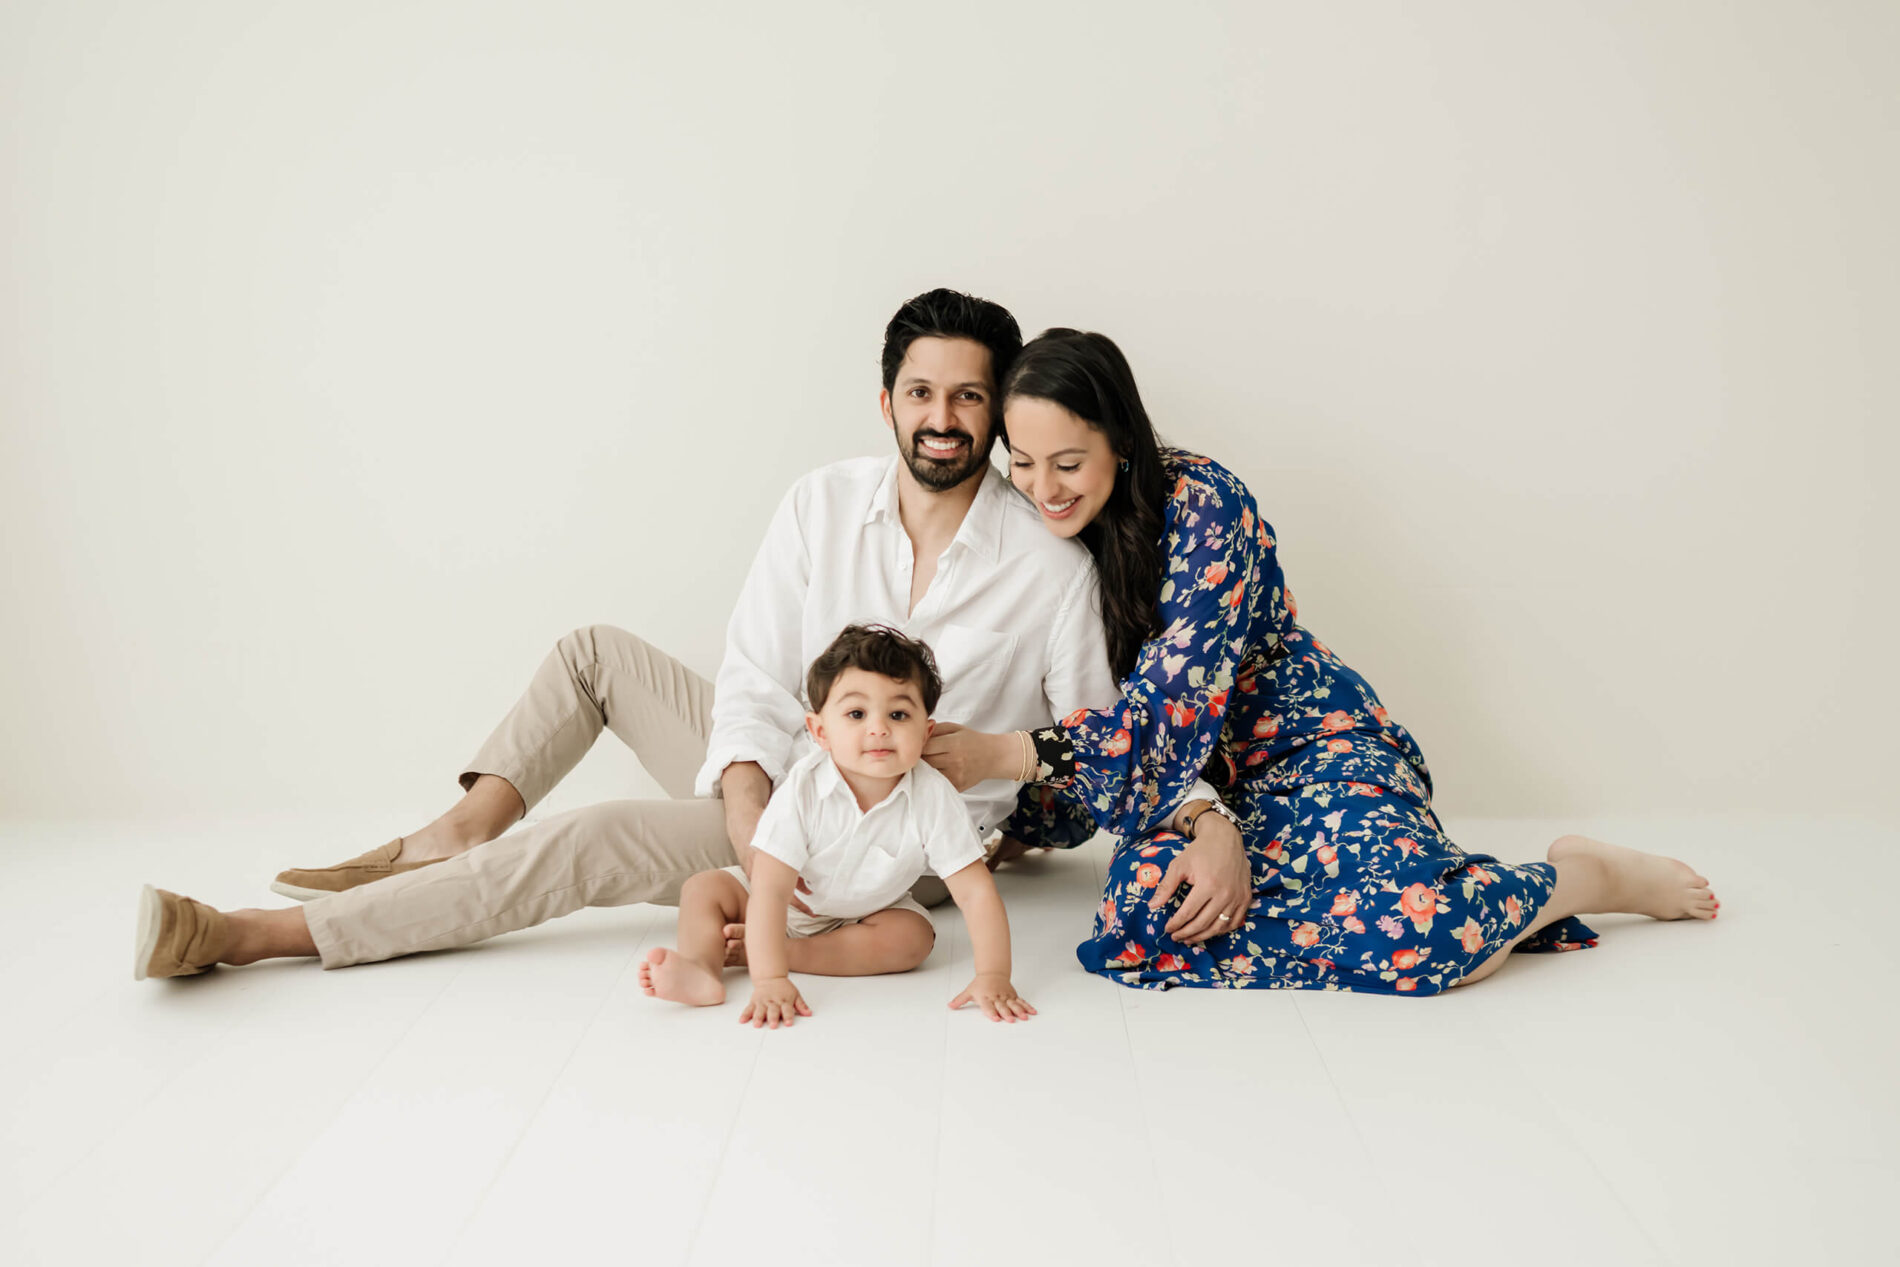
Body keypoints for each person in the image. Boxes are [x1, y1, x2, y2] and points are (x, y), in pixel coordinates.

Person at [133, 290, 1116, 982]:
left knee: (592, 841)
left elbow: (1098, 739)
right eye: (919, 393)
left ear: (997, 414)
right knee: (595, 651)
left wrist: (1041, 809)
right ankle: (453, 837)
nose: (940, 418)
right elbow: (755, 671)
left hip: (882, 839)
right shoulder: (822, 502)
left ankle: (263, 935)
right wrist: (745, 795)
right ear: (885, 403)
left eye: (967, 397)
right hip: (788, 772)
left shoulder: (1045, 562)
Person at [922, 329, 1719, 995]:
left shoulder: (1202, 505)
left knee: (1423, 937)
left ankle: (1578, 881)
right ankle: (1404, 911)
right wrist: (1028, 823)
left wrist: (1012, 757)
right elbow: (1074, 694)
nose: (1041, 488)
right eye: (1021, 462)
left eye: (1068, 461)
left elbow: (1166, 713)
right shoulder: (1031, 535)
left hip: (1303, 747)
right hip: (1187, 791)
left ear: (1121, 443)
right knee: (1135, 921)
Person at [638, 624, 1034, 1026]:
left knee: (913, 939)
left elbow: (976, 894)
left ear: (926, 731)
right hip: (785, 905)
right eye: (857, 714)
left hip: (868, 913)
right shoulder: (804, 788)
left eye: (898, 714)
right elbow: (772, 892)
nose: (878, 728)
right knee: (703, 889)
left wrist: (993, 975)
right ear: (820, 731)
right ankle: (701, 968)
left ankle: (783, 954)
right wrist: (770, 980)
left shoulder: (933, 796)